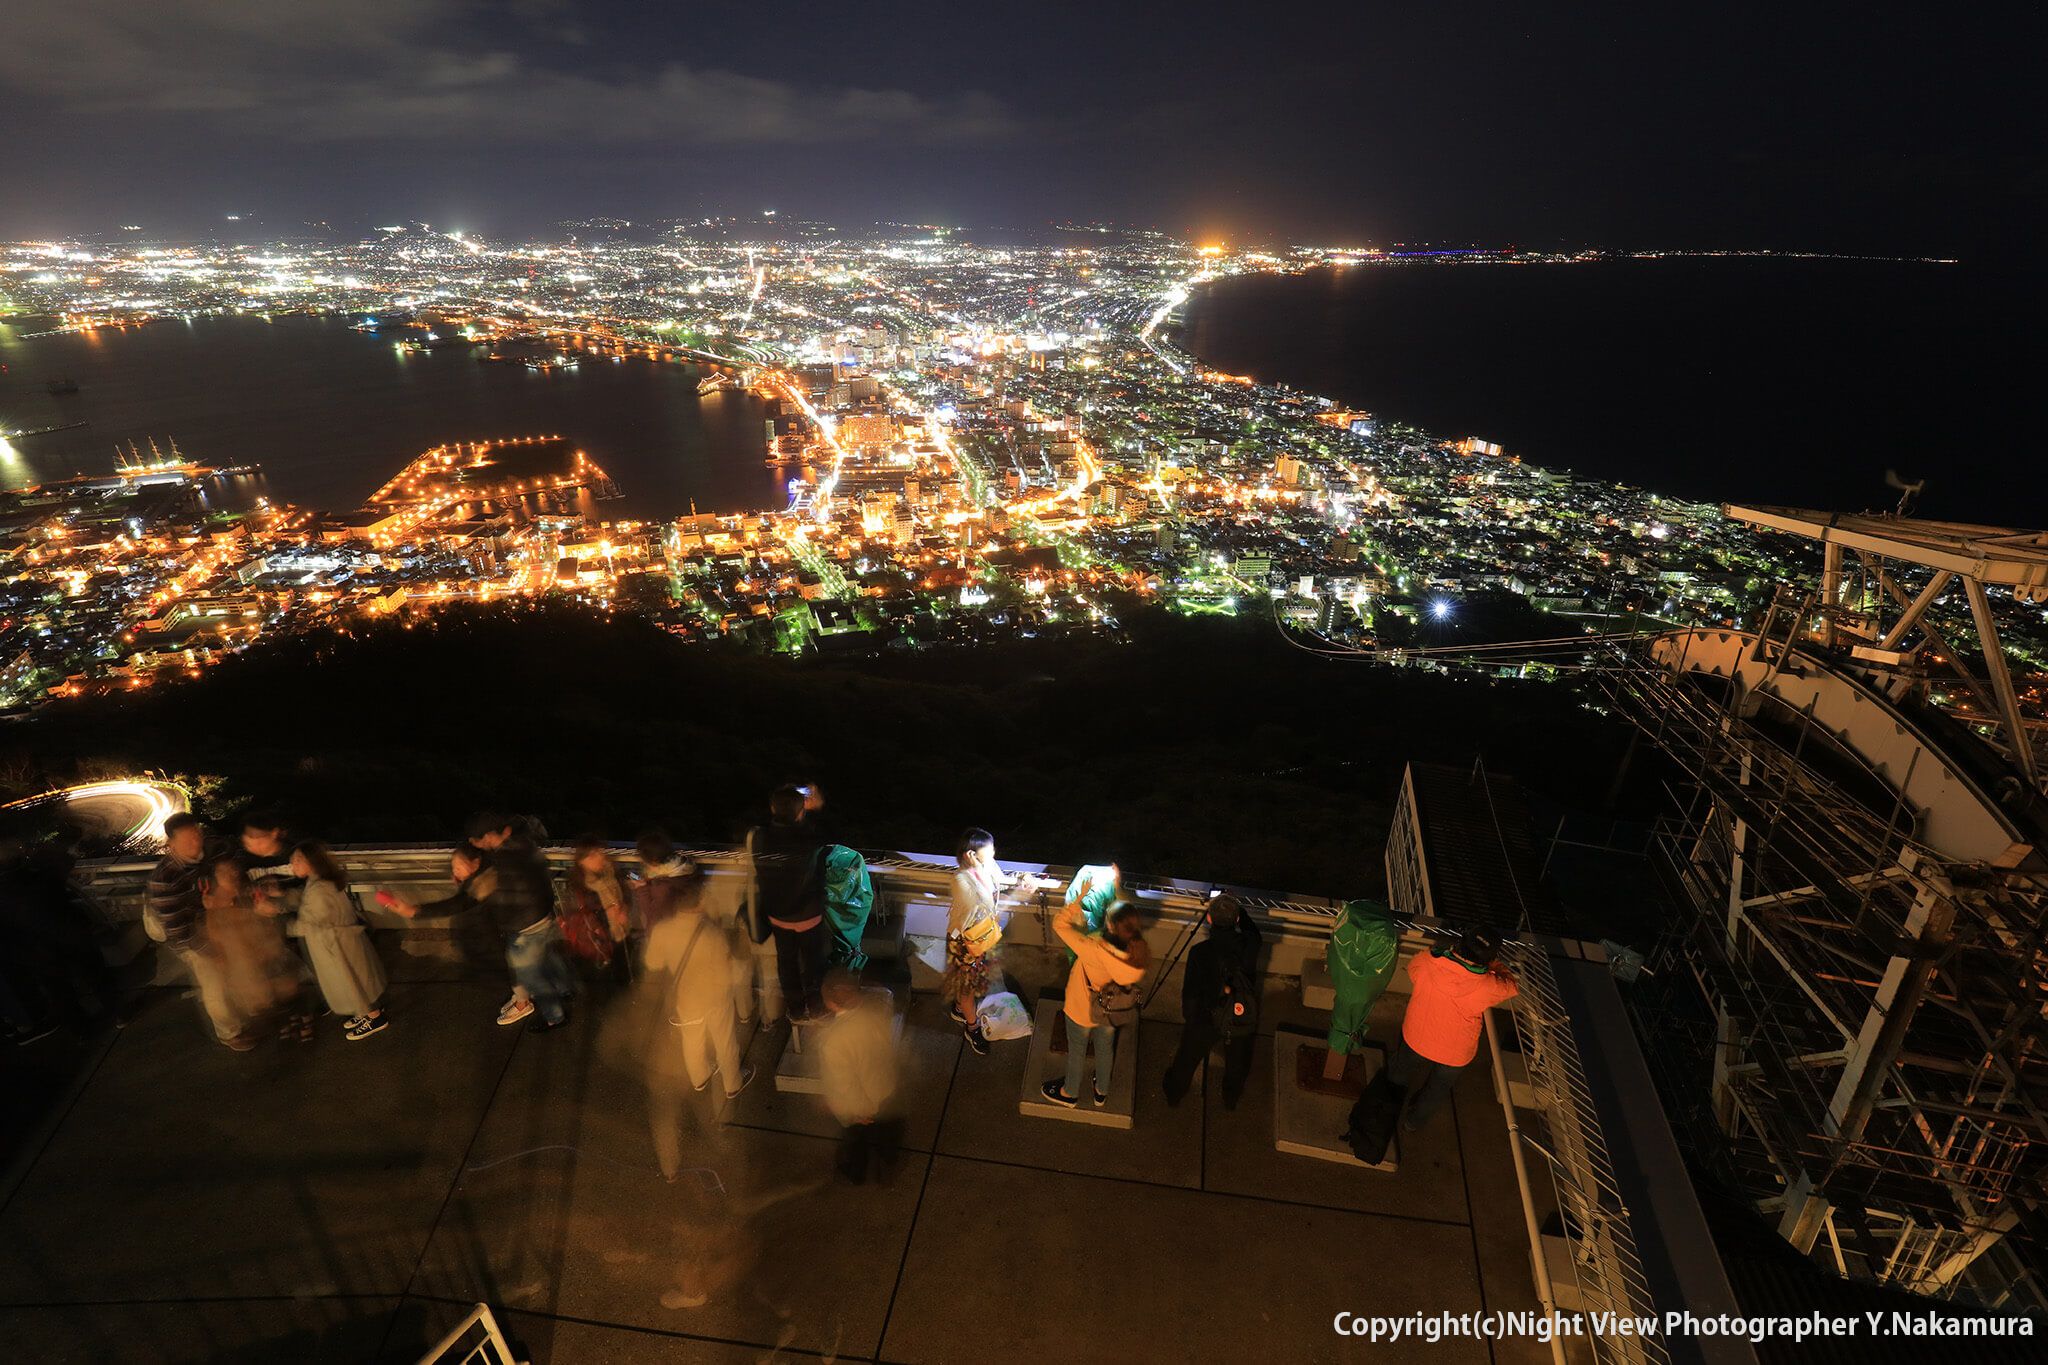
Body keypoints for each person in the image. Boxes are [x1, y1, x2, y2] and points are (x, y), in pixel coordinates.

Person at [643, 873, 755, 1180]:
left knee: (692, 1043)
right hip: (715, 1000)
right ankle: (732, 1084)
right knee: (725, 1043)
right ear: (699, 904)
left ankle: (700, 1080)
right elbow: (727, 973)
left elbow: (653, 964)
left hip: (686, 1002)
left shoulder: (663, 931)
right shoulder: (711, 934)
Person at [1363, 928, 1519, 1136]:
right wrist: (1494, 964)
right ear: (1488, 958)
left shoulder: (1429, 963)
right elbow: (1511, 987)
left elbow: (1413, 969)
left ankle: (1384, 1111)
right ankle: (1413, 1122)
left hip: (1417, 1036)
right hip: (1455, 1052)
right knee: (1437, 1089)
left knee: (1399, 1073)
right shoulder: (1488, 986)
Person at [148, 813, 248, 1049]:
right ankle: (230, 1033)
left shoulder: (212, 853)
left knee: (238, 967)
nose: (195, 843)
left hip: (215, 922)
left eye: (197, 836)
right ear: (171, 844)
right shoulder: (165, 879)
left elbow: (235, 860)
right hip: (188, 936)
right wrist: (213, 952)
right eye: (187, 840)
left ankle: (247, 1011)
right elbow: (178, 931)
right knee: (213, 982)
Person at [1162, 894, 1263, 1110]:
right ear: (1237, 920)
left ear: (1209, 919)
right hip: (1238, 1014)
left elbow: (1190, 993)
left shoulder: (1199, 953)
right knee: (1237, 1062)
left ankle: (1174, 1093)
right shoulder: (1250, 945)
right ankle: (1230, 1098)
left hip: (1205, 1018)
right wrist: (1235, 907)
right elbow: (1251, 930)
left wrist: (1191, 1020)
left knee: (1187, 1060)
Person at [1044, 899, 1148, 1108]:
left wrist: (1077, 899)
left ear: (1110, 926)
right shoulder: (1139, 954)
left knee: (1077, 1049)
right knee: (1105, 1047)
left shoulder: (1093, 948)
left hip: (1082, 1007)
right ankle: (1101, 1091)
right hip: (1112, 1009)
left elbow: (1059, 925)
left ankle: (1070, 1093)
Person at [284, 841, 393, 1040]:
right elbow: (306, 903)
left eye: (298, 859)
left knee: (352, 981)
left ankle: (374, 1017)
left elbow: (310, 923)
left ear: (312, 861)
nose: (293, 863)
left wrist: (285, 926)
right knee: (356, 980)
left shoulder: (319, 889)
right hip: (341, 941)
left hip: (336, 945)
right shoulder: (322, 881)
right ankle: (365, 1012)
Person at [202, 852, 312, 1043]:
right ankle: (287, 1024)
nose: (230, 875)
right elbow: (214, 932)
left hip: (268, 949)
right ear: (216, 875)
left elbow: (269, 911)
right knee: (271, 997)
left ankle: (304, 1022)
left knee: (288, 989)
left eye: (232, 870)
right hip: (246, 959)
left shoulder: (248, 890)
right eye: (223, 871)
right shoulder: (212, 900)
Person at [746, 785, 828, 1023]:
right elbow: (826, 832)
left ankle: (795, 1009)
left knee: (786, 962)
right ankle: (816, 1006)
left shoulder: (759, 838)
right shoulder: (810, 838)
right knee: (814, 963)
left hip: (778, 915)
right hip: (808, 914)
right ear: (802, 812)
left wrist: (793, 809)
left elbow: (766, 825)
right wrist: (816, 808)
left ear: (772, 809)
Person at [818, 968, 901, 1185]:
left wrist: (857, 1113)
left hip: (863, 1104)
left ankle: (856, 1172)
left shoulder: (833, 1041)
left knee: (857, 1143)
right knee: (887, 1132)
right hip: (886, 1087)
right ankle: (889, 1158)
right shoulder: (879, 1010)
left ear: (829, 1002)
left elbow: (845, 1085)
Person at [945, 827, 1022, 1056]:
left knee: (976, 979)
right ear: (971, 854)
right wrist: (977, 870)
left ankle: (960, 1008)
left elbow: (1001, 879)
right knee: (967, 986)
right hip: (964, 942)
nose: (993, 853)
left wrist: (1021, 879)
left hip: (983, 935)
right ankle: (972, 1027)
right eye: (988, 850)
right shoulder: (961, 879)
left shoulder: (987, 865)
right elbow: (982, 902)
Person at [561, 837, 626, 975]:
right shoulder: (578, 885)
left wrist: (622, 909)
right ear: (581, 861)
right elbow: (578, 917)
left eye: (599, 852)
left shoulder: (610, 874)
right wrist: (611, 911)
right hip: (595, 943)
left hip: (618, 936)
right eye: (592, 855)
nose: (599, 857)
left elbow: (624, 897)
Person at [629, 830, 699, 937]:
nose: (641, 861)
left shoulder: (663, 886)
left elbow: (652, 914)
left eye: (642, 857)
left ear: (653, 860)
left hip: (665, 937)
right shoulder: (683, 869)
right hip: (687, 932)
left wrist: (641, 889)